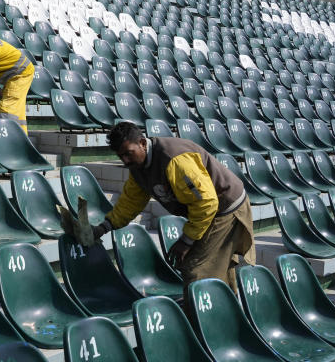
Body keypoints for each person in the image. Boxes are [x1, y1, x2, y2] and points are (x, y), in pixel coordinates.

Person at [93, 121, 255, 293]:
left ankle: (199, 318)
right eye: (121, 156)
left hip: (226, 209)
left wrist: (186, 241)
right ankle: (226, 310)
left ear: (142, 143)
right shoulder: (138, 167)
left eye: (128, 153)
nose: (125, 161)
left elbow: (206, 203)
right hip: (210, 212)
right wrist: (104, 227)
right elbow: (130, 202)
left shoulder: (175, 160)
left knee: (197, 271)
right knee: (214, 267)